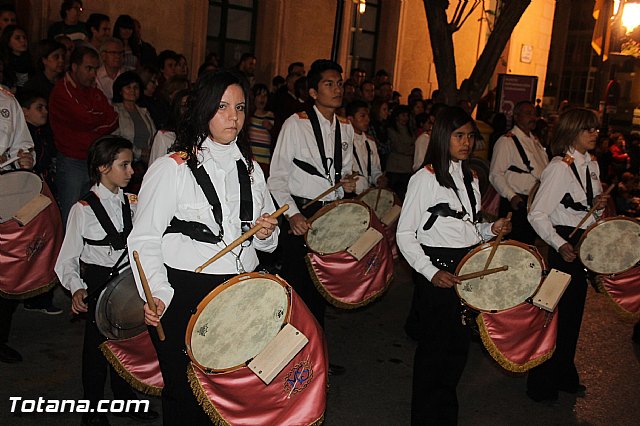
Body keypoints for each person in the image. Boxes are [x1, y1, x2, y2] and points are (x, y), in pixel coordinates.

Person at [127, 70, 278, 424]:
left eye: (240, 108)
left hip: (242, 291)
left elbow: (270, 243)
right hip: (186, 291)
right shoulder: (172, 168)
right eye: (223, 107)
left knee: (233, 395)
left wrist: (265, 233)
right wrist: (159, 292)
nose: (233, 117)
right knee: (186, 398)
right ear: (204, 110)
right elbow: (144, 238)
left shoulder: (253, 171)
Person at [396, 106, 511, 425]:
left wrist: (491, 229)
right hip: (437, 266)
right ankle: (425, 418)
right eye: (459, 135)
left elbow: (468, 227)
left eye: (471, 136)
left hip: (464, 263)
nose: (467, 142)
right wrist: (430, 272)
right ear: (444, 136)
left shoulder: (471, 176)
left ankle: (444, 416)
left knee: (457, 350)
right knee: (435, 350)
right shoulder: (425, 177)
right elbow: (405, 233)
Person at [54, 136, 158, 425]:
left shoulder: (134, 203)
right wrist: (77, 288)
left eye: (130, 165)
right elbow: (67, 258)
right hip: (100, 283)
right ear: (102, 167)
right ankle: (93, 409)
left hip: (130, 283)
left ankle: (125, 399)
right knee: (97, 351)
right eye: (123, 165)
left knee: (129, 343)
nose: (131, 171)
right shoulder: (83, 209)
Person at [268, 59, 356, 375]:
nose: (337, 89)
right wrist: (291, 216)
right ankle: (283, 365)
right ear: (313, 91)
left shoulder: (346, 127)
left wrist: (348, 184)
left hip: (329, 217)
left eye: (340, 83)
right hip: (301, 215)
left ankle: (314, 361)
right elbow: (276, 178)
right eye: (330, 84)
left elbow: (345, 174)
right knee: (298, 294)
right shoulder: (297, 123)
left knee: (321, 292)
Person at [527, 108, 609, 403]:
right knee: (552, 316)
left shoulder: (592, 165)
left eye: (596, 129)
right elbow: (536, 214)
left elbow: (588, 211)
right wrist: (559, 243)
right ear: (573, 131)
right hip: (564, 245)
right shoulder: (559, 168)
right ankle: (541, 382)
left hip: (581, 244)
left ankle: (563, 374)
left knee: (572, 316)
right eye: (589, 129)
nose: (594, 134)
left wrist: (599, 206)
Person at [49, 46, 119, 227]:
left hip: (92, 160)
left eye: (96, 68)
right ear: (74, 67)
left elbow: (113, 119)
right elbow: (85, 117)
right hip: (71, 160)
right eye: (88, 68)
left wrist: (91, 122)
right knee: (71, 217)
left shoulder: (94, 91)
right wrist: (95, 120)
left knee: (91, 216)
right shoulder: (62, 91)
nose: (93, 73)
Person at [0, 86, 36, 364]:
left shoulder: (7, 100)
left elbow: (23, 144)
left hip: (6, 191)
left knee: (7, 267)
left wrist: (25, 157)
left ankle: (1, 339)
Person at [489, 100, 549, 245]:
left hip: (534, 202)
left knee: (528, 245)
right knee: (512, 246)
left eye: (535, 114)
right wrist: (511, 196)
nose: (533, 117)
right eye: (528, 114)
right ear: (516, 116)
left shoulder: (536, 142)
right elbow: (495, 174)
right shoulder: (507, 141)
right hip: (517, 203)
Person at [111, 71, 156, 164]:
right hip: (124, 161)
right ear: (120, 90)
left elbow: (154, 135)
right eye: (128, 87)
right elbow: (117, 139)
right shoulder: (115, 110)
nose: (132, 91)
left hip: (147, 161)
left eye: (136, 87)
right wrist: (140, 153)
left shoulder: (144, 111)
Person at [346, 99, 385, 194]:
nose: (367, 119)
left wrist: (379, 178)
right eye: (362, 116)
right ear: (350, 119)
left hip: (366, 192)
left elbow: (374, 169)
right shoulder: (344, 142)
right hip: (350, 193)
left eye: (368, 116)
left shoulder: (370, 142)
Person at [148, 88, 188, 166]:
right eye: (183, 106)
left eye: (191, 106)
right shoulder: (164, 136)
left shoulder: (201, 137)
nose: (187, 110)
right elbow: (156, 169)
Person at [386, 105, 414, 198]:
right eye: (403, 115)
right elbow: (399, 148)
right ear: (397, 116)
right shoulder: (391, 130)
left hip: (407, 167)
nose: (406, 118)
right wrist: (411, 149)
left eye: (407, 115)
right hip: (395, 168)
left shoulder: (410, 130)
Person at [248, 83, 274, 176]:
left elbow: (276, 137)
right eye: (259, 95)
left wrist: (271, 129)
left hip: (265, 160)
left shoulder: (270, 116)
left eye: (265, 95)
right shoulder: (249, 116)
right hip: (250, 159)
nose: (262, 98)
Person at [96, 38, 131, 102]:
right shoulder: (95, 76)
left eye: (120, 53)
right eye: (113, 53)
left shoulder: (128, 76)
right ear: (103, 55)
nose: (118, 56)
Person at [0, 25, 34, 92]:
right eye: (18, 38)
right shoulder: (4, 61)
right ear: (8, 42)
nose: (23, 40)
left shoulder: (30, 60)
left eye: (24, 37)